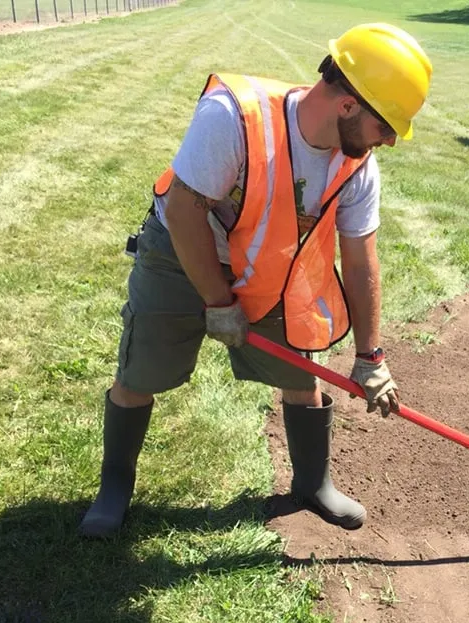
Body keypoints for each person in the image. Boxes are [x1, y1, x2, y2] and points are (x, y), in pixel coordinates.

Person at [79, 23, 433, 538]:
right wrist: (217, 301)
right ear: (348, 105)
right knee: (140, 374)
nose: (391, 139)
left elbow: (360, 263)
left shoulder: (357, 167)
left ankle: (313, 484)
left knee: (301, 376)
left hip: (268, 264)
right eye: (387, 125)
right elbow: (183, 212)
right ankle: (114, 487)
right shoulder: (233, 117)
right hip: (180, 252)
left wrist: (370, 357)